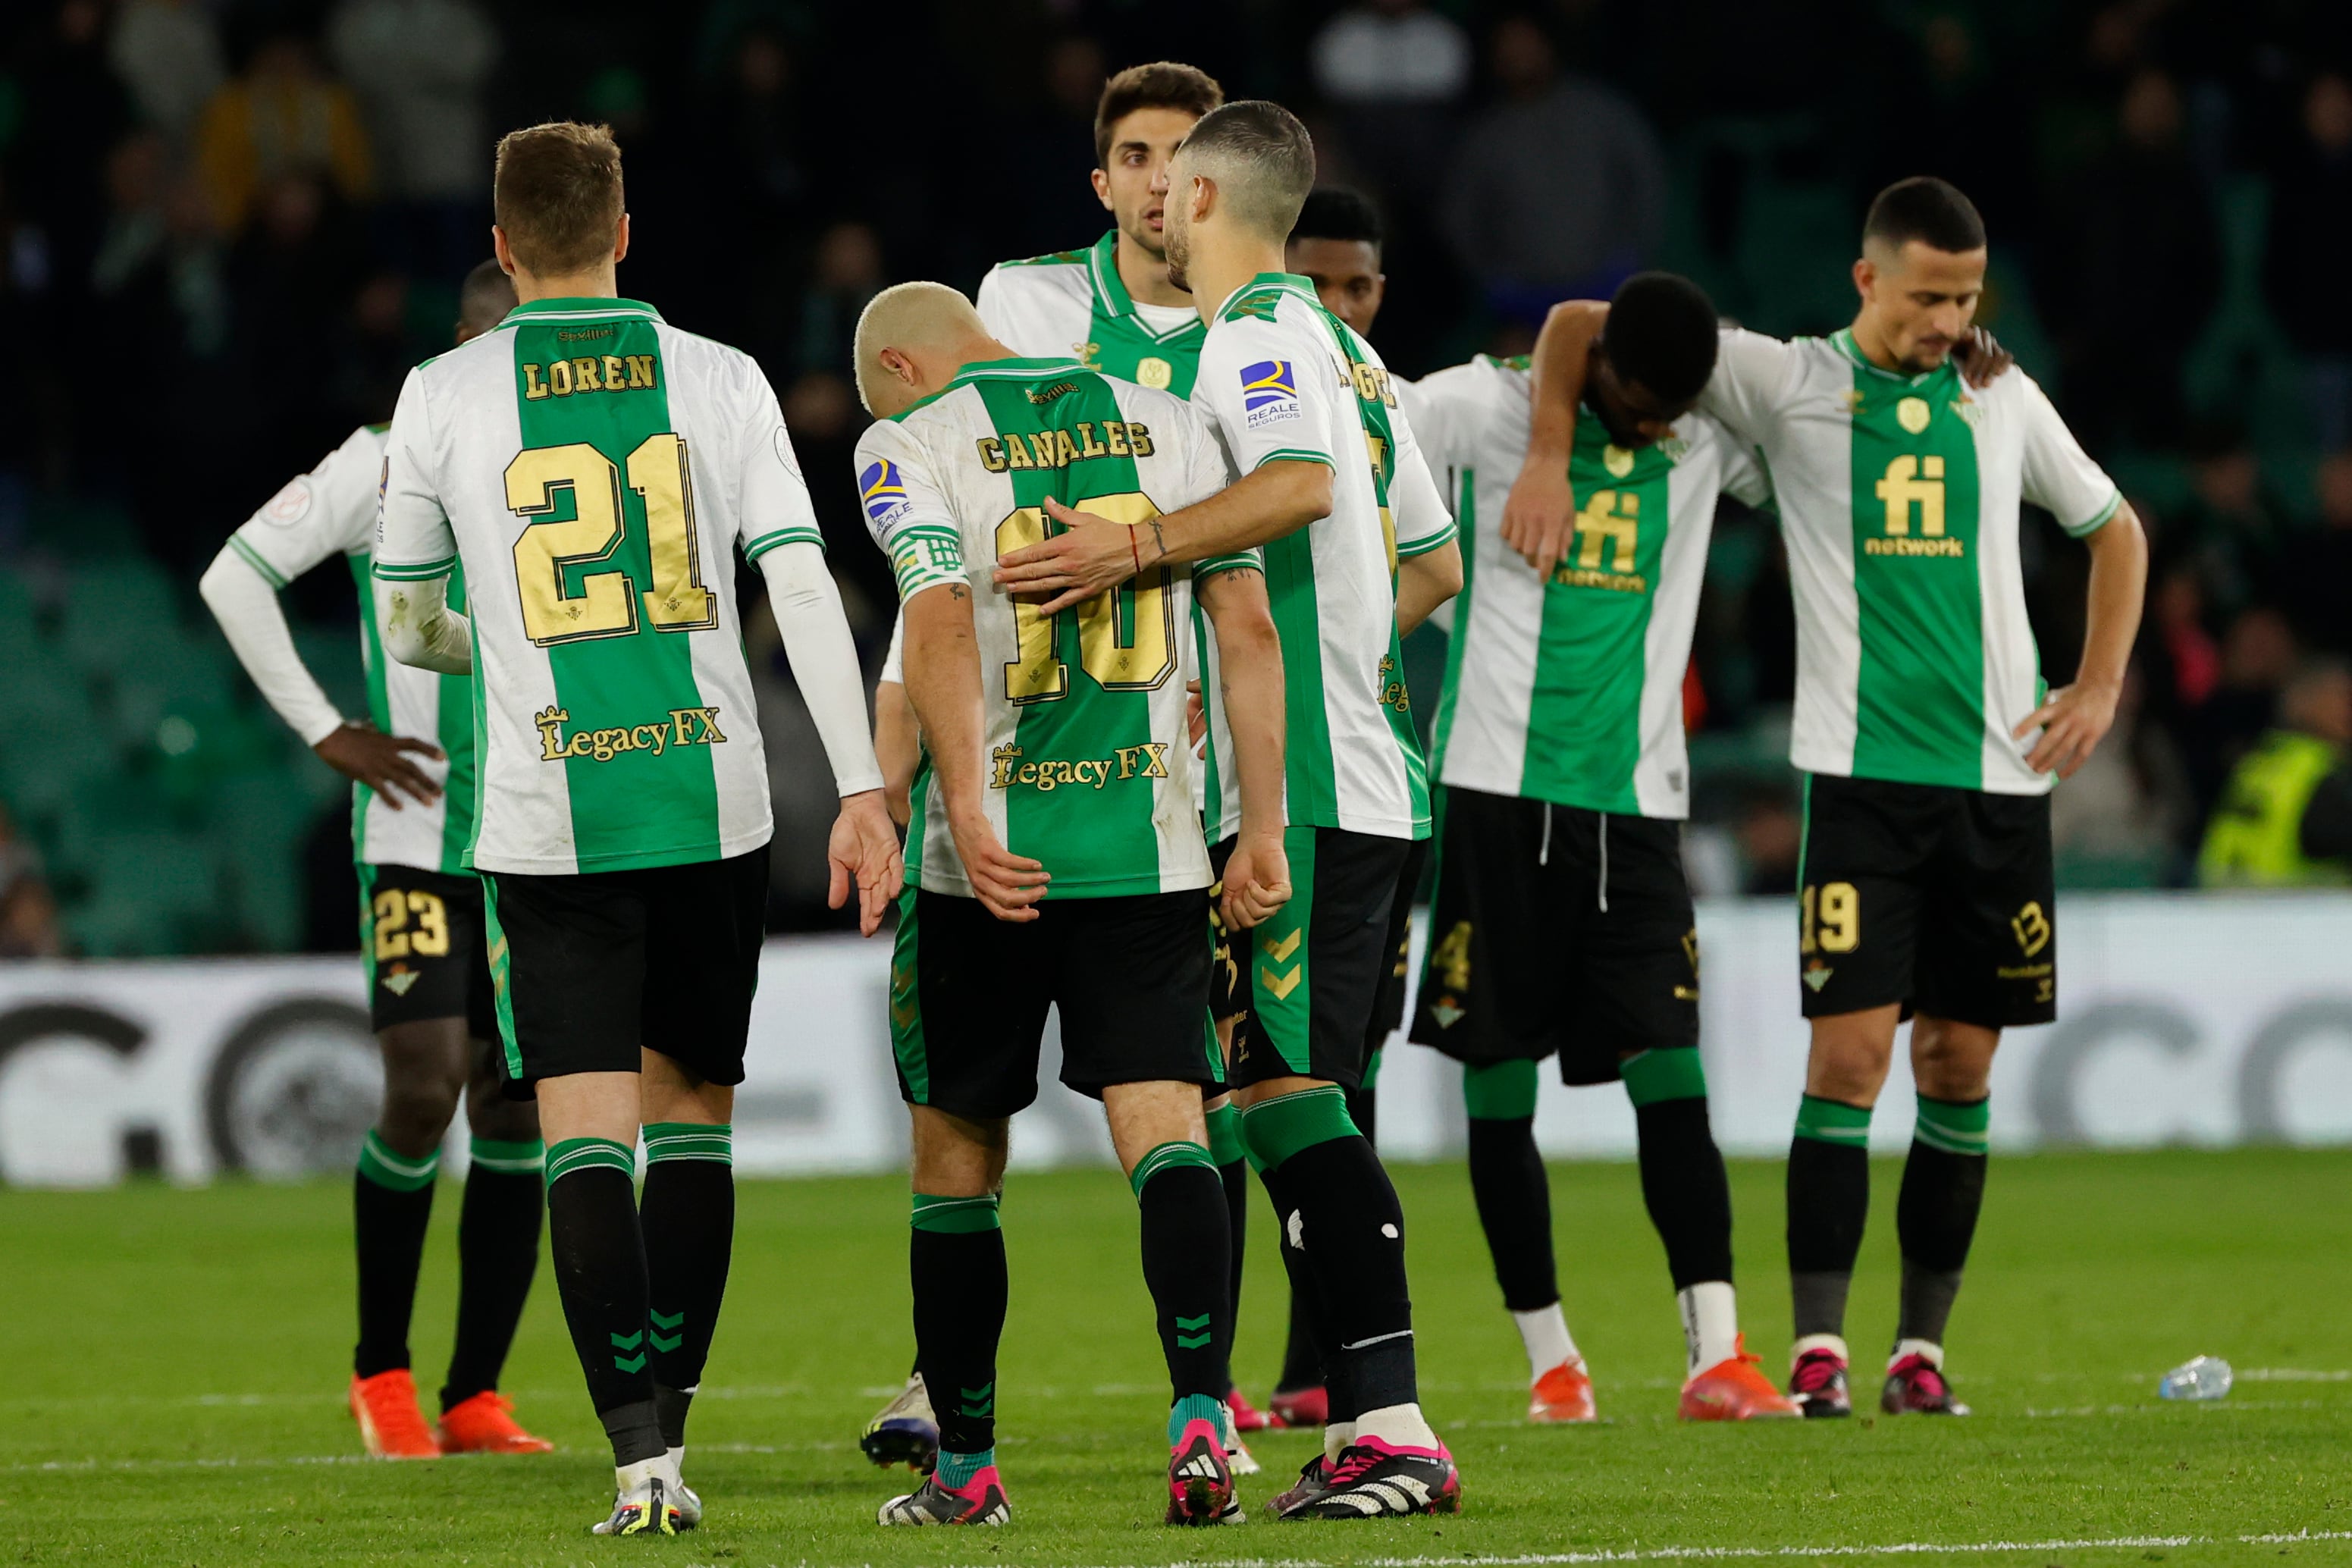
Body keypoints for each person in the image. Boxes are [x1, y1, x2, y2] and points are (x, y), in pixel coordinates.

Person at [1504, 177, 2148, 1419]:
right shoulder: (1788, 381)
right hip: (1860, 787)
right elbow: (1592, 319)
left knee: (1956, 1063)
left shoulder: (1999, 395)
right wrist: (1542, 451)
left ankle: (1921, 1349)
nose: (1945, 320)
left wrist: (2099, 684)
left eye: (1963, 298)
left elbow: (2112, 525)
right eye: (1923, 297)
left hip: (1998, 787)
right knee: (1848, 1057)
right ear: (1865, 281)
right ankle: (1815, 1346)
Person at [372, 121, 902, 1535]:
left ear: (497, 245)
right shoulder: (719, 377)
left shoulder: (440, 394)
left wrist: (517, 652)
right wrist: (859, 786)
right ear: (624, 232)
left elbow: (410, 624)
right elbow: (801, 584)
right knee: (692, 1120)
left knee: (583, 1133)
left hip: (546, 814)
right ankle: (674, 1421)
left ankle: (637, 1467)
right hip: (711, 800)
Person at [994, 99, 1465, 1519]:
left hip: (1308, 780)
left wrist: (1133, 545)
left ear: (1198, 195)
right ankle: (1366, 1423)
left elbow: (1295, 489)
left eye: (1164, 184)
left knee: (1280, 1096)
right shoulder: (1353, 350)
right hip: (1351, 764)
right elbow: (1427, 564)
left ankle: (1389, 1422)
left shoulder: (1257, 331)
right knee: (1280, 1093)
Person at [864, 58, 1291, 1469]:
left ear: (903, 369)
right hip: (1151, 838)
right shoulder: (1166, 424)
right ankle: (1199, 1413)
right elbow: (1246, 630)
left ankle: (967, 1463)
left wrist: (964, 812)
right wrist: (1256, 822)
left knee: (955, 1162)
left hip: (982, 860)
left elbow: (932, 619)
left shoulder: (908, 439)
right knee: (1167, 1125)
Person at [1404, 271, 1798, 1424]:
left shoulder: (1696, 440)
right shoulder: (1485, 411)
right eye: (1633, 400)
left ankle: (1716, 1357)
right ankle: (1550, 1364)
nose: (1654, 425)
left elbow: (1762, 401)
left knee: (1669, 1067)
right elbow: (1358, 430)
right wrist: (1542, 447)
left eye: (1673, 408)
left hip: (1635, 805)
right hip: (1494, 789)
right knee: (1497, 1083)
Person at [199, 259, 553, 1461]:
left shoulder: (561, 462)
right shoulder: (381, 457)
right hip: (413, 835)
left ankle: (475, 1394)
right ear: (455, 345)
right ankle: (381, 1372)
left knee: (516, 1110)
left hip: (531, 835)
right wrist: (327, 731)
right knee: (421, 1085)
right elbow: (234, 574)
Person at [2197, 659, 2352, 886]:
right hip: (2288, 912)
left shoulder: (2258, 762)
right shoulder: (2320, 777)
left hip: (2222, 907)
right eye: (2343, 697)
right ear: (2304, 703)